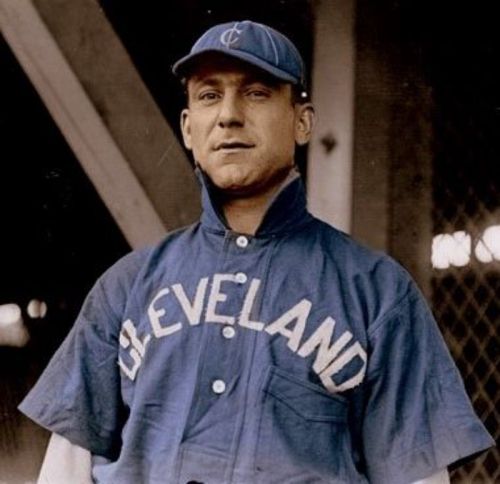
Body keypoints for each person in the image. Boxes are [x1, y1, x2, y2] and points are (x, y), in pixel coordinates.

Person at [19, 20, 493, 484]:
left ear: (302, 121)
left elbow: (417, 476)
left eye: (256, 93)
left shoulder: (378, 292)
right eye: (209, 95)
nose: (228, 115)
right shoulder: (125, 286)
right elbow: (65, 472)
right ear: (188, 128)